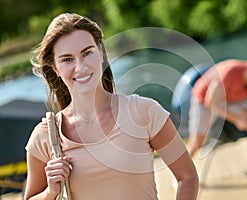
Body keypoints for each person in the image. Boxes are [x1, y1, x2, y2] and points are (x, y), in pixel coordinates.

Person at [24, 13, 199, 199]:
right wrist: (51, 192)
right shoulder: (44, 137)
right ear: (55, 68)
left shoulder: (144, 112)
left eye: (87, 53)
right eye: (67, 59)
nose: (80, 67)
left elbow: (187, 177)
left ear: (100, 53)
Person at [187, 59, 247, 180]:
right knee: (197, 143)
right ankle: (182, 176)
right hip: (205, 99)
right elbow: (210, 102)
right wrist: (237, 120)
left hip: (230, 98)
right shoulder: (230, 73)